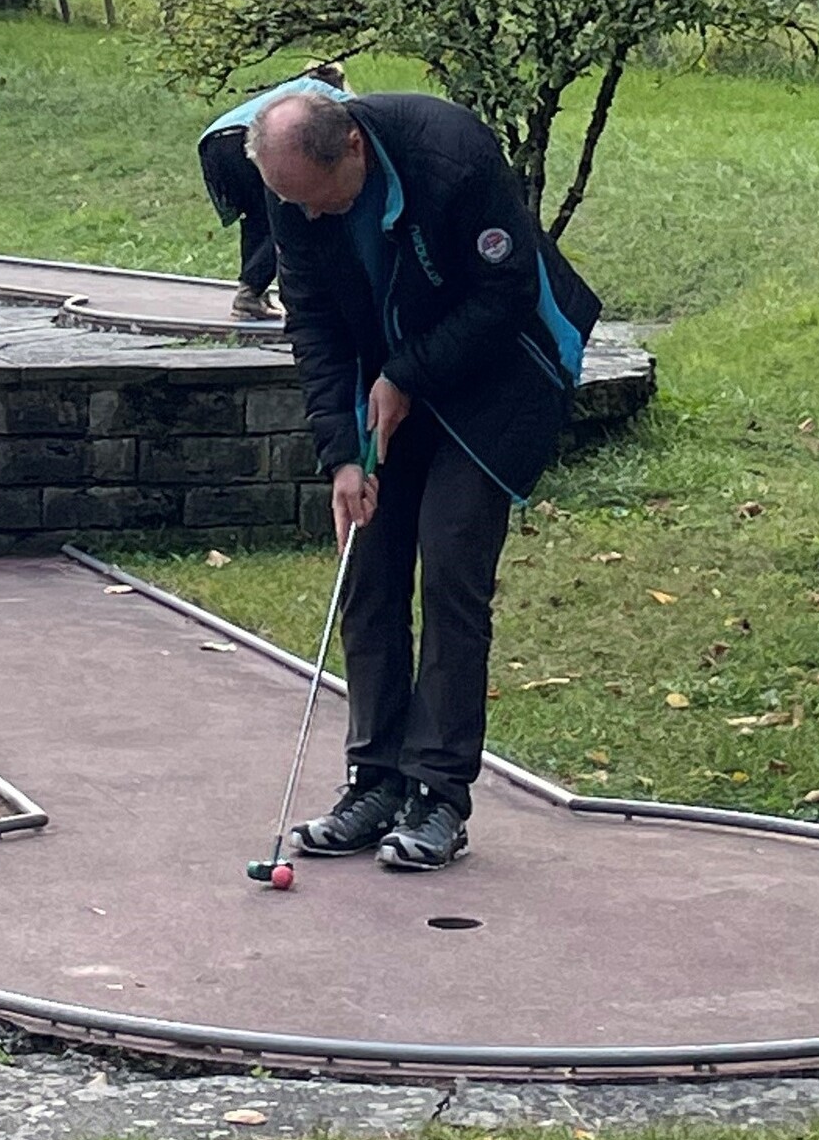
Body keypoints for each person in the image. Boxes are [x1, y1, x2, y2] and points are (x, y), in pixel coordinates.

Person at [252, 87, 601, 871]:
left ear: (353, 150)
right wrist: (342, 454)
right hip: (391, 376)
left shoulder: (450, 156)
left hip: (501, 374)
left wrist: (405, 374)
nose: (303, 218)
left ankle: (439, 795)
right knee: (368, 562)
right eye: (287, 202)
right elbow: (312, 323)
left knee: (449, 563)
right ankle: (373, 782)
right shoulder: (293, 195)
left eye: (313, 199)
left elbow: (505, 294)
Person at [198, 60, 346, 320]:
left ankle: (252, 295)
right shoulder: (320, 95)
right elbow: (357, 114)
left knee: (257, 219)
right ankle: (251, 291)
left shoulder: (290, 88)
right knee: (284, 217)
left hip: (214, 142)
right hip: (249, 139)